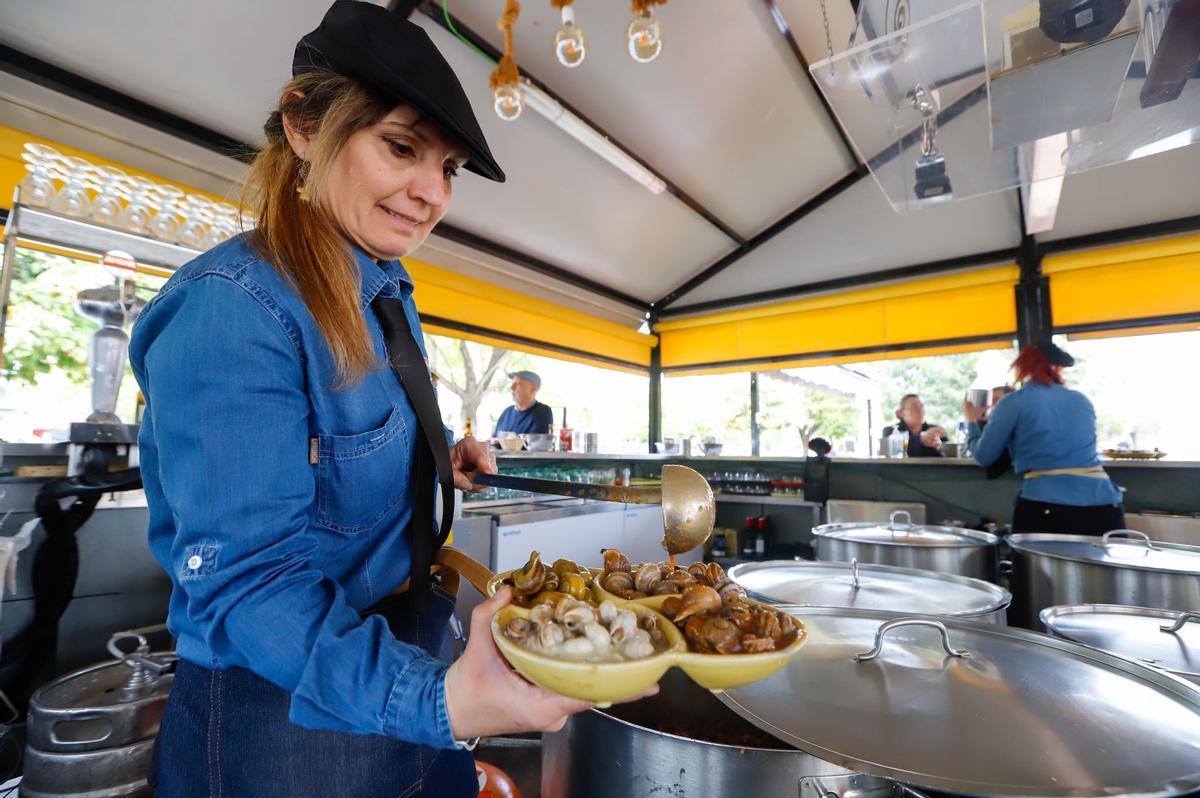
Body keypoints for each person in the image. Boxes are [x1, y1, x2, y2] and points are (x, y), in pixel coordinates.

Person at [130, 5, 594, 794]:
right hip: (286, 715)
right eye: (402, 147)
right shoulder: (235, 307)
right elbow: (247, 584)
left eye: (446, 168)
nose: (429, 193)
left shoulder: (385, 289)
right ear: (306, 128)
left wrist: (435, 463)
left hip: (408, 649)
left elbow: (340, 456)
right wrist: (438, 698)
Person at [964, 341, 1125, 534]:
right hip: (1106, 504)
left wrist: (971, 421)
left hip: (1048, 505)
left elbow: (984, 456)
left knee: (1037, 565)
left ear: (1023, 367)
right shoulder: (1081, 400)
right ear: (1058, 369)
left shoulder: (1015, 401)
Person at [883, 393, 948, 457]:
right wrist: (922, 439)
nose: (921, 410)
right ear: (901, 412)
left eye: (922, 406)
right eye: (915, 407)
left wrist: (940, 447)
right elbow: (893, 452)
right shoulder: (890, 431)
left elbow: (949, 457)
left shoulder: (936, 431)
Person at [492, 370, 554, 436]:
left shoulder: (542, 412)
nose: (512, 388)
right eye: (512, 384)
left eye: (517, 384)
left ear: (533, 388)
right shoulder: (507, 412)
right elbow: (494, 441)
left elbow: (537, 444)